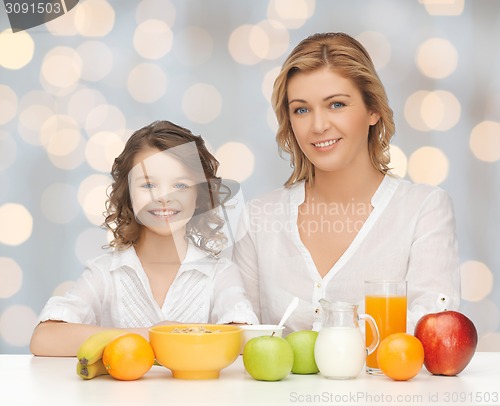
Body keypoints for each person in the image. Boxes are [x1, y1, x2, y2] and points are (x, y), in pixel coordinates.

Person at [233, 32, 461, 334]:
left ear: (372, 110)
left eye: (336, 104)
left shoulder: (424, 210)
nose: (318, 125)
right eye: (301, 109)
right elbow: (240, 334)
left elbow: (433, 328)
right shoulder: (257, 218)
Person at [30, 120, 258, 356]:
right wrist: (153, 335)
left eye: (180, 184)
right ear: (128, 194)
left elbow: (242, 339)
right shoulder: (105, 273)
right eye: (148, 184)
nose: (163, 197)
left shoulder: (219, 274)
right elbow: (44, 338)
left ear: (199, 195)